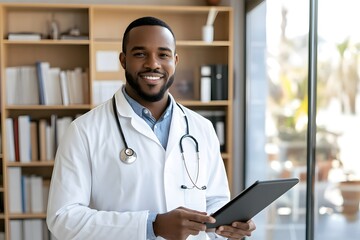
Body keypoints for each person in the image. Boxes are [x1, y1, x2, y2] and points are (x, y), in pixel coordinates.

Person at [46, 16, 256, 240]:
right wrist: (152, 225)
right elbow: (63, 218)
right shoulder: (84, 131)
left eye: (163, 55)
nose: (153, 63)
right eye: (140, 54)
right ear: (123, 60)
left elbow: (215, 201)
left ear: (175, 60)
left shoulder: (202, 127)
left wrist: (231, 225)